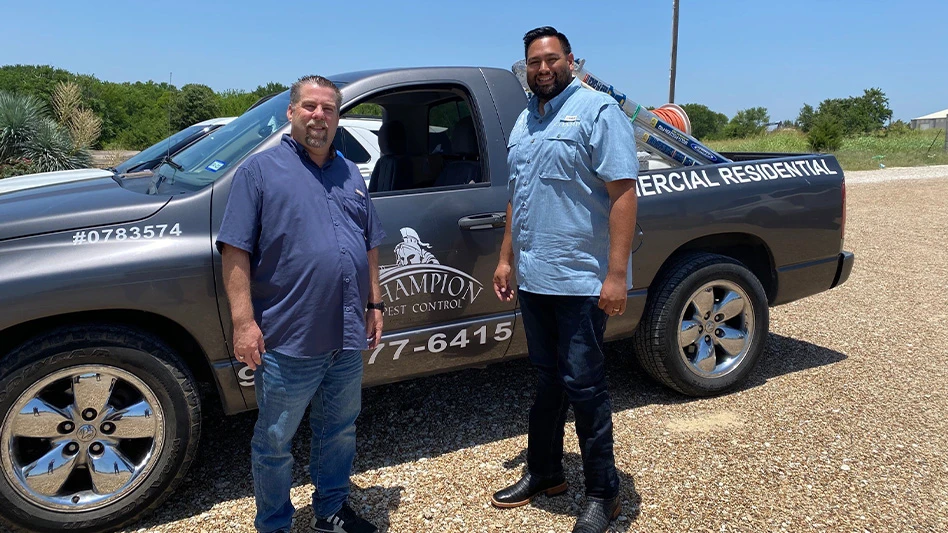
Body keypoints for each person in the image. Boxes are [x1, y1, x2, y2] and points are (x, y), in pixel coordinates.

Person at [217, 75, 386, 533]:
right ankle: (274, 523)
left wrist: (375, 304)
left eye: (329, 109)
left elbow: (370, 242)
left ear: (337, 117)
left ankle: (331, 511)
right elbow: (235, 250)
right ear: (291, 113)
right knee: (275, 440)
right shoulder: (260, 172)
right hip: (290, 337)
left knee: (339, 430)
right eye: (309, 107)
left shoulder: (351, 171)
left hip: (347, 333)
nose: (319, 117)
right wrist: (244, 323)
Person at [491, 27, 639, 533]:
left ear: (572, 61)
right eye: (534, 61)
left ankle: (604, 493)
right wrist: (506, 258)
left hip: (581, 280)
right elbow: (518, 193)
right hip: (535, 278)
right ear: (526, 67)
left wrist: (616, 276)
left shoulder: (599, 112)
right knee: (548, 379)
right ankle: (546, 472)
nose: (543, 68)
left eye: (552, 59)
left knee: (585, 385)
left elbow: (623, 194)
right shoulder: (524, 120)